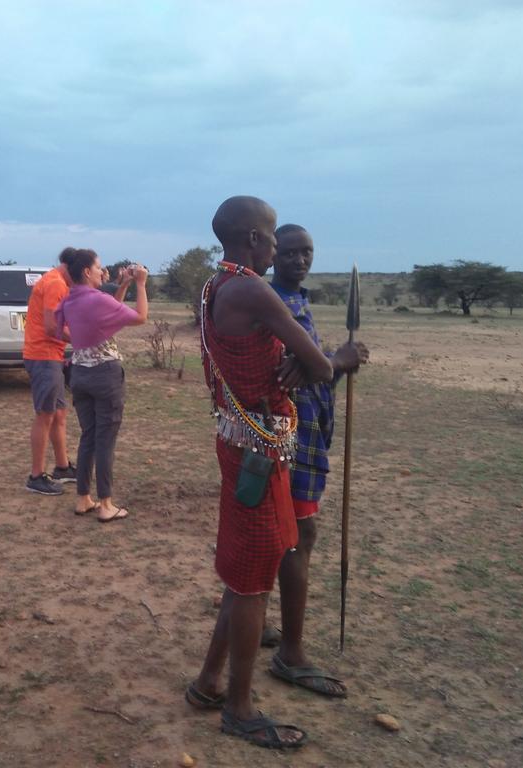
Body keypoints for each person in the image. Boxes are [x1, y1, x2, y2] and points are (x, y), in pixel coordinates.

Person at [185, 196, 332, 750]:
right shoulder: (251, 289)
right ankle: (239, 709)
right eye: (272, 238)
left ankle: (207, 685)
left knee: (242, 571)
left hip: (237, 439)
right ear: (252, 239)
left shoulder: (213, 286)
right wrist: (310, 364)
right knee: (252, 584)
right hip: (262, 449)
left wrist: (295, 366)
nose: (276, 248)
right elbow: (318, 365)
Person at [264, 224, 368, 697]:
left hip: (306, 433)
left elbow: (309, 372)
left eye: (306, 252)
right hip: (291, 437)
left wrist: (329, 364)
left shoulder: (297, 301)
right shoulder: (272, 304)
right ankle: (292, 652)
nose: (299, 260)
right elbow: (287, 377)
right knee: (297, 536)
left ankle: (266, 622)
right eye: (290, 252)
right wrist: (334, 361)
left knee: (281, 531)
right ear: (272, 254)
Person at [54, 249, 148, 521]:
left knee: (89, 437)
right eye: (98, 267)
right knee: (105, 440)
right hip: (105, 376)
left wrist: (124, 284)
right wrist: (140, 284)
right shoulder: (95, 300)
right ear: (86, 271)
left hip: (80, 375)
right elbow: (140, 316)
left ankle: (83, 497)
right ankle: (106, 504)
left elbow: (107, 312)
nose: (101, 271)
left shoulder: (71, 300)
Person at [22, 250, 77, 495]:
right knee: (45, 415)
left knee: (59, 413)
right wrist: (81, 340)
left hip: (51, 356)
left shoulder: (56, 280)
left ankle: (62, 467)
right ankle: (36, 476)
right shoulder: (55, 283)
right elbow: (51, 326)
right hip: (43, 356)